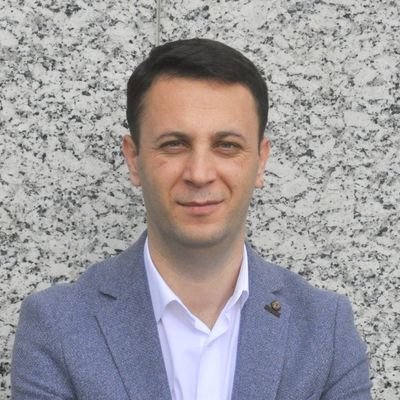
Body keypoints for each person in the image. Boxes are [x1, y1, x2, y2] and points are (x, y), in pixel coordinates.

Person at [11, 38, 371, 400]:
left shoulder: (325, 330)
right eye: (174, 144)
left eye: (226, 145)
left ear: (261, 161)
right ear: (134, 159)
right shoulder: (57, 326)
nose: (199, 174)